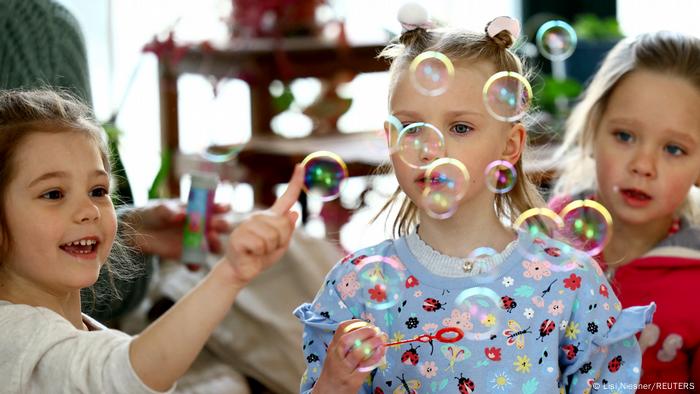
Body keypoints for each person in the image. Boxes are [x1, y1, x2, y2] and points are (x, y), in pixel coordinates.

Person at [294, 11, 655, 393]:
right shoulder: (355, 286)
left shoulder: (568, 281)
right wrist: (333, 383)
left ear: (510, 145)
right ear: (390, 139)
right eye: (412, 128)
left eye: (460, 127)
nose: (432, 147)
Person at [0, 89, 303, 393]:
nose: (89, 211)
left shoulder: (83, 330)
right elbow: (125, 375)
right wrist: (229, 275)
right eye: (53, 194)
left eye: (98, 191)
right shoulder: (11, 337)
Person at [550, 31, 700, 391]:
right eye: (625, 136)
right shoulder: (545, 243)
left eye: (674, 149)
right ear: (592, 130)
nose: (643, 165)